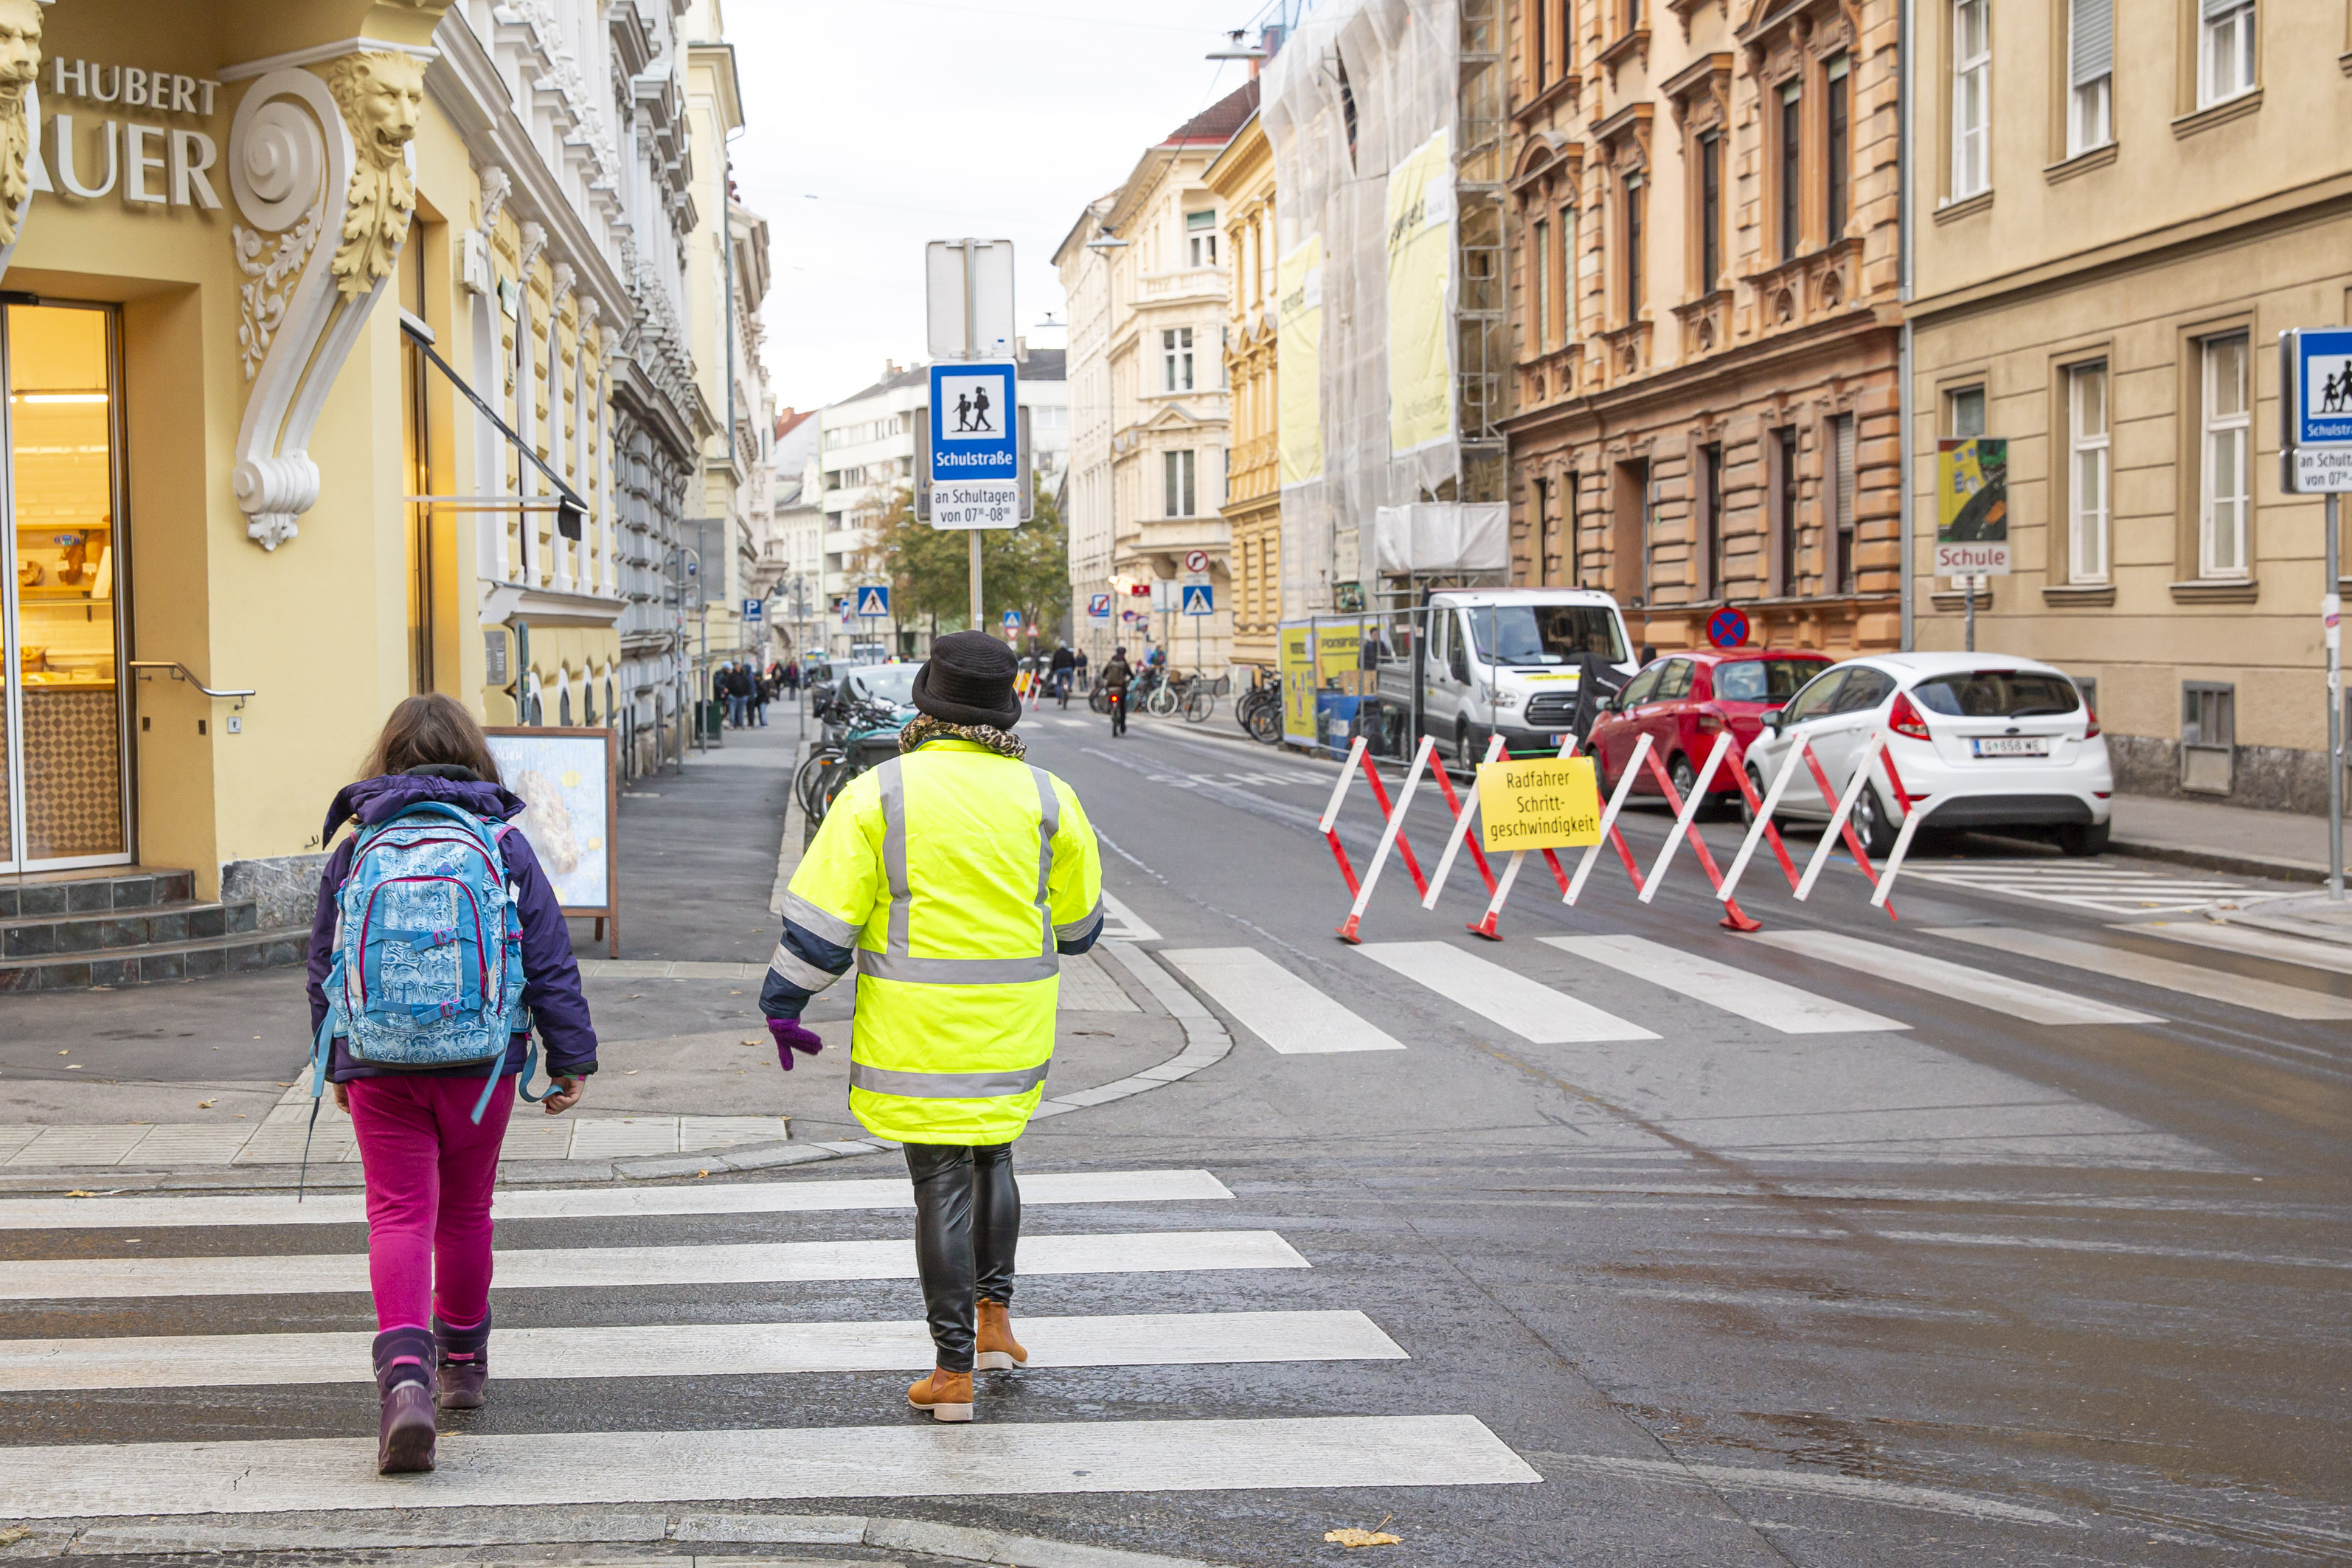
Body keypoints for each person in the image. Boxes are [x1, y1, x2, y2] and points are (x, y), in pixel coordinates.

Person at [759, 632, 1103, 1423]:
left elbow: (821, 924)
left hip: (916, 1031)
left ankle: (952, 1372)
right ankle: (992, 1323)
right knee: (995, 1157)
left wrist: (784, 999)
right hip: (1012, 1029)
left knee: (940, 1182)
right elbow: (1082, 927)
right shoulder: (1047, 795)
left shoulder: (880, 793)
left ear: (927, 705)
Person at [305, 693, 595, 1474]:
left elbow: (324, 961)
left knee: (398, 1212)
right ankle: (461, 1360)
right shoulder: (500, 841)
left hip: (381, 1064)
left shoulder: (360, 842)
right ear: (473, 754)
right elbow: (547, 956)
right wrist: (570, 1056)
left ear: (388, 755)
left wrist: (337, 1059)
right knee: (465, 1211)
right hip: (482, 1063)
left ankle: (404, 1381)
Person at [1101, 644, 1133, 737]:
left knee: (1110, 698)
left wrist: (1106, 678)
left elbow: (1104, 674)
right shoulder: (1124, 663)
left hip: (1110, 686)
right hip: (1120, 687)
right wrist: (1132, 677)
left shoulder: (1111, 662)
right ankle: (1122, 726)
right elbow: (1130, 674)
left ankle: (1110, 707)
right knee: (1122, 705)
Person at [1050, 642, 1075, 707]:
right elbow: (1073, 662)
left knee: (1058, 684)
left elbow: (1054, 662)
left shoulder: (1057, 653)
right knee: (1071, 678)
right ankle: (1070, 686)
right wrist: (1073, 669)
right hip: (1068, 669)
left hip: (1059, 670)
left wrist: (1053, 670)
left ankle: (1058, 698)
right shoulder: (1069, 653)